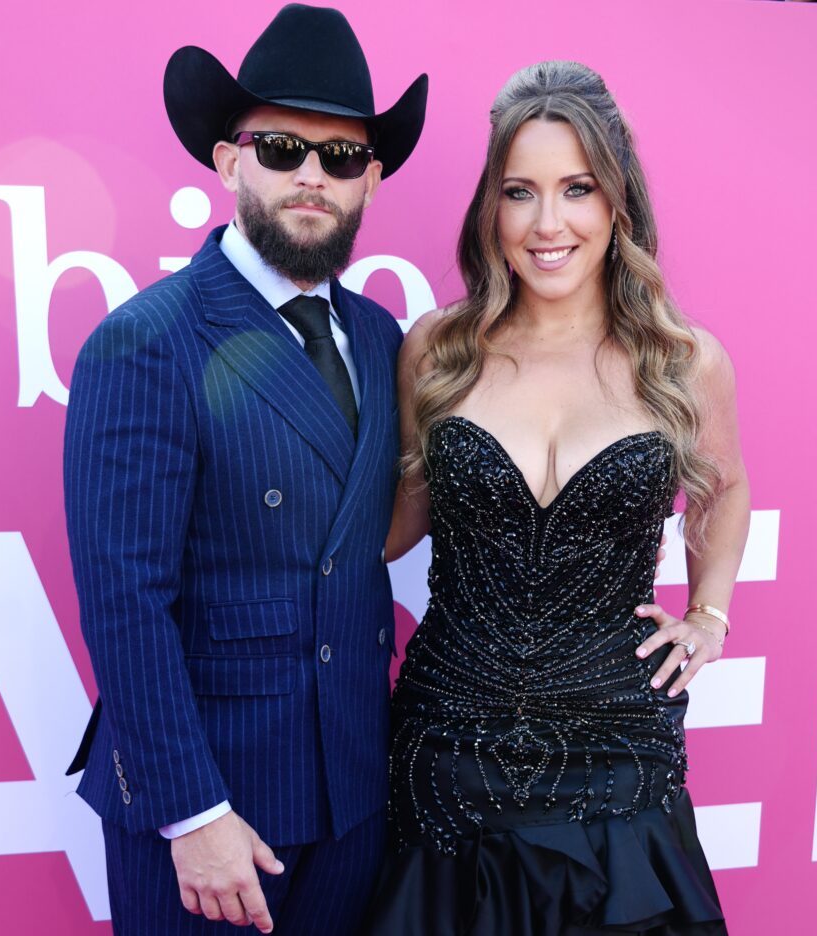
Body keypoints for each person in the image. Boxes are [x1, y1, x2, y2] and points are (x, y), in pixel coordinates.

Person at [62, 5, 427, 933]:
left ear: (371, 181)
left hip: (352, 797)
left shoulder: (384, 339)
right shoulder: (147, 341)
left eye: (342, 156)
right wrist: (193, 812)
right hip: (212, 810)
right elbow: (125, 601)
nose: (312, 175)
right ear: (229, 161)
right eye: (281, 147)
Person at [370, 60, 749, 935]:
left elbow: (725, 487)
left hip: (620, 748)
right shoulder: (438, 350)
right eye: (519, 191)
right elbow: (392, 529)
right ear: (490, 210)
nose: (548, 224)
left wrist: (710, 615)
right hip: (448, 753)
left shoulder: (685, 361)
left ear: (617, 203)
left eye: (576, 189)